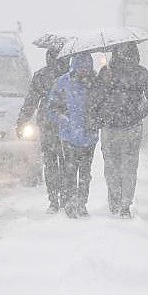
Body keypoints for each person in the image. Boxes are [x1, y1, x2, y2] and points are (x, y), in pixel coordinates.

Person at [98, 42, 148, 218]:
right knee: (129, 167)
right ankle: (125, 204)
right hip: (132, 127)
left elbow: (96, 98)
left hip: (110, 127)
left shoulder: (106, 72)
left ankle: (115, 202)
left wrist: (102, 115)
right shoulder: (141, 72)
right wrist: (139, 113)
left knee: (111, 167)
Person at [16, 45, 70, 214]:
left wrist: (22, 121)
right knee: (67, 162)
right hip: (68, 124)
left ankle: (54, 200)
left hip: (47, 124)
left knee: (51, 163)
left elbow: (31, 101)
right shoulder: (70, 75)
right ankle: (66, 198)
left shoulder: (41, 75)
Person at [47, 53, 101, 219]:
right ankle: (70, 201)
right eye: (81, 67)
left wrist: (96, 119)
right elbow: (52, 108)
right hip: (69, 135)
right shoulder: (63, 83)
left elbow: (103, 106)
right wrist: (62, 119)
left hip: (88, 135)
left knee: (85, 172)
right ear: (75, 66)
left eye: (87, 67)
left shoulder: (97, 83)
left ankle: (81, 203)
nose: (84, 70)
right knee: (70, 171)